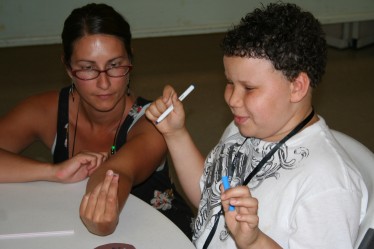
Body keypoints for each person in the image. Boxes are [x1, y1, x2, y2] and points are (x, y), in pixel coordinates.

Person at [145, 2, 368, 249]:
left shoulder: (328, 185)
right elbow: (208, 200)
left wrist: (254, 242)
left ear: (297, 87)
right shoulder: (244, 127)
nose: (232, 99)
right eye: (230, 83)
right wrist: (175, 134)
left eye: (249, 88)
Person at [0, 3, 193, 238]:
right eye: (88, 69)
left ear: (130, 60)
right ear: (69, 68)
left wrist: (102, 213)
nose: (104, 84)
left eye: (114, 65)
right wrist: (53, 172)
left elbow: (117, 171)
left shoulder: (153, 121)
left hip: (165, 236)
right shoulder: (45, 110)